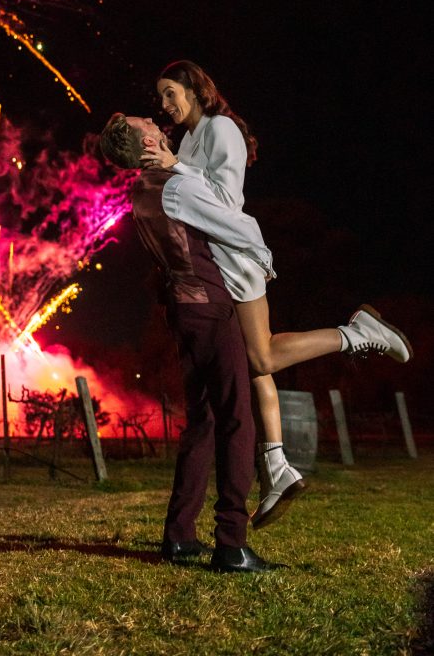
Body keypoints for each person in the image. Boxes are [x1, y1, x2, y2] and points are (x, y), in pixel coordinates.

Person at [143, 59, 412, 528]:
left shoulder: (220, 128)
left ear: (194, 88)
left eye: (170, 93)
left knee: (262, 359)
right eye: (160, 97)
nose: (164, 104)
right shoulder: (187, 139)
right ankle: (276, 466)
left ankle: (354, 334)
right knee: (248, 363)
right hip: (216, 265)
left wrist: (175, 167)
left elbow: (225, 202)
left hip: (236, 258)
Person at [100, 112, 276, 572]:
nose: (156, 121)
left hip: (180, 309)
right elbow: (239, 227)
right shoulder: (176, 186)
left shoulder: (140, 190)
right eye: (148, 124)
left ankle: (179, 535)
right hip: (210, 307)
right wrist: (263, 257)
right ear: (146, 143)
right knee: (238, 417)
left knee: (203, 419)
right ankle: (232, 542)